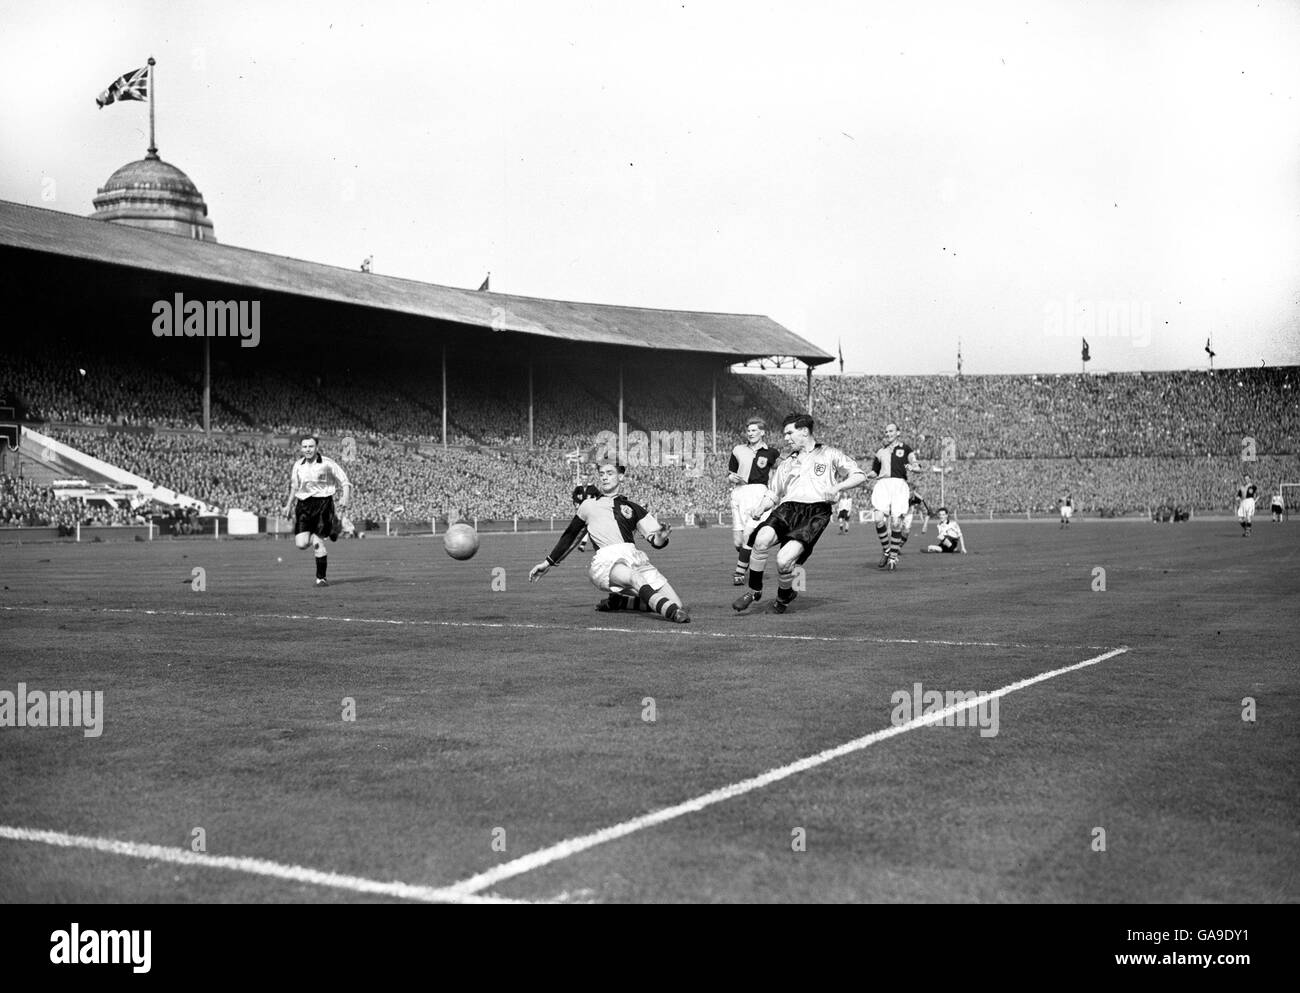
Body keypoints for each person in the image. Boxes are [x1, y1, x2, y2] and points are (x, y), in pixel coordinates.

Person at [733, 413, 866, 614]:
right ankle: (754, 591)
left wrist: (838, 486)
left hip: (815, 513)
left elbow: (859, 475)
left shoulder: (830, 454)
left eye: (789, 433)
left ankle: (785, 596)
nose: (786, 438)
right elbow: (773, 493)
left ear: (804, 431)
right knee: (760, 540)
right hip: (787, 509)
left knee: (784, 561)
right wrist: (761, 507)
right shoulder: (787, 462)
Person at [530, 463, 690, 623]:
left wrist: (661, 538)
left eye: (609, 473)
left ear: (620, 476)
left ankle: (621, 602)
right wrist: (548, 563)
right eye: (601, 473)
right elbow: (571, 536)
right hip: (607, 560)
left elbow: (656, 540)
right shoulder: (589, 505)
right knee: (636, 579)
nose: (604, 477)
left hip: (634, 558)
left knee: (676, 603)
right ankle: (674, 616)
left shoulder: (634, 508)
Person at [282, 435, 351, 587]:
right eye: (305, 447)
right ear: (301, 448)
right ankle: (334, 526)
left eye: (311, 446)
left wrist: (345, 497)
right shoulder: (298, 465)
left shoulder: (327, 463)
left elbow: (345, 481)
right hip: (303, 505)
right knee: (301, 544)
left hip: (323, 504)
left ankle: (321, 578)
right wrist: (288, 505)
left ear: (316, 447)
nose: (308, 449)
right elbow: (294, 487)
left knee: (318, 542)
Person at [727, 418, 782, 584]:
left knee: (747, 536)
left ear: (762, 432)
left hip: (758, 493)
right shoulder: (738, 450)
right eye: (748, 430)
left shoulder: (771, 452)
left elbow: (783, 469)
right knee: (738, 542)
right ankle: (754, 554)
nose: (750, 433)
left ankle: (739, 574)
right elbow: (730, 473)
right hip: (738, 493)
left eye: (754, 430)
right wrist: (730, 477)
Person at [866, 422, 921, 570]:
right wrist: (867, 475)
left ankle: (893, 557)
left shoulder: (906, 448)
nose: (888, 434)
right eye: (886, 431)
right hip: (882, 484)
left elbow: (917, 465)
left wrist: (913, 467)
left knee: (896, 523)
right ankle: (887, 550)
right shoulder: (880, 452)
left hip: (899, 485)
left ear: (898, 432)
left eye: (891, 431)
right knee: (878, 519)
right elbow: (874, 471)